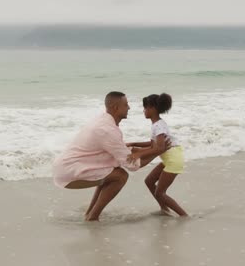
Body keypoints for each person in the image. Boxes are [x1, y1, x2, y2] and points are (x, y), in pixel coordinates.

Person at [52, 91, 166, 221]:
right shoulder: (108, 131)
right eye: (126, 104)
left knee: (109, 172)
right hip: (69, 172)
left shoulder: (103, 121)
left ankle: (89, 213)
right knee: (120, 176)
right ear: (116, 108)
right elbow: (132, 165)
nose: (129, 108)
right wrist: (158, 151)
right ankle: (92, 217)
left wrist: (150, 149)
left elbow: (123, 151)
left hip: (66, 167)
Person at [127, 93, 188, 217]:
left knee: (160, 193)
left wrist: (138, 154)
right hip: (170, 157)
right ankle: (164, 209)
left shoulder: (158, 126)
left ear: (152, 109)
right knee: (149, 181)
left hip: (173, 160)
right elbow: (151, 146)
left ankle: (184, 216)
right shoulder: (157, 124)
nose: (144, 111)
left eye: (145, 108)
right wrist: (133, 144)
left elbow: (159, 148)